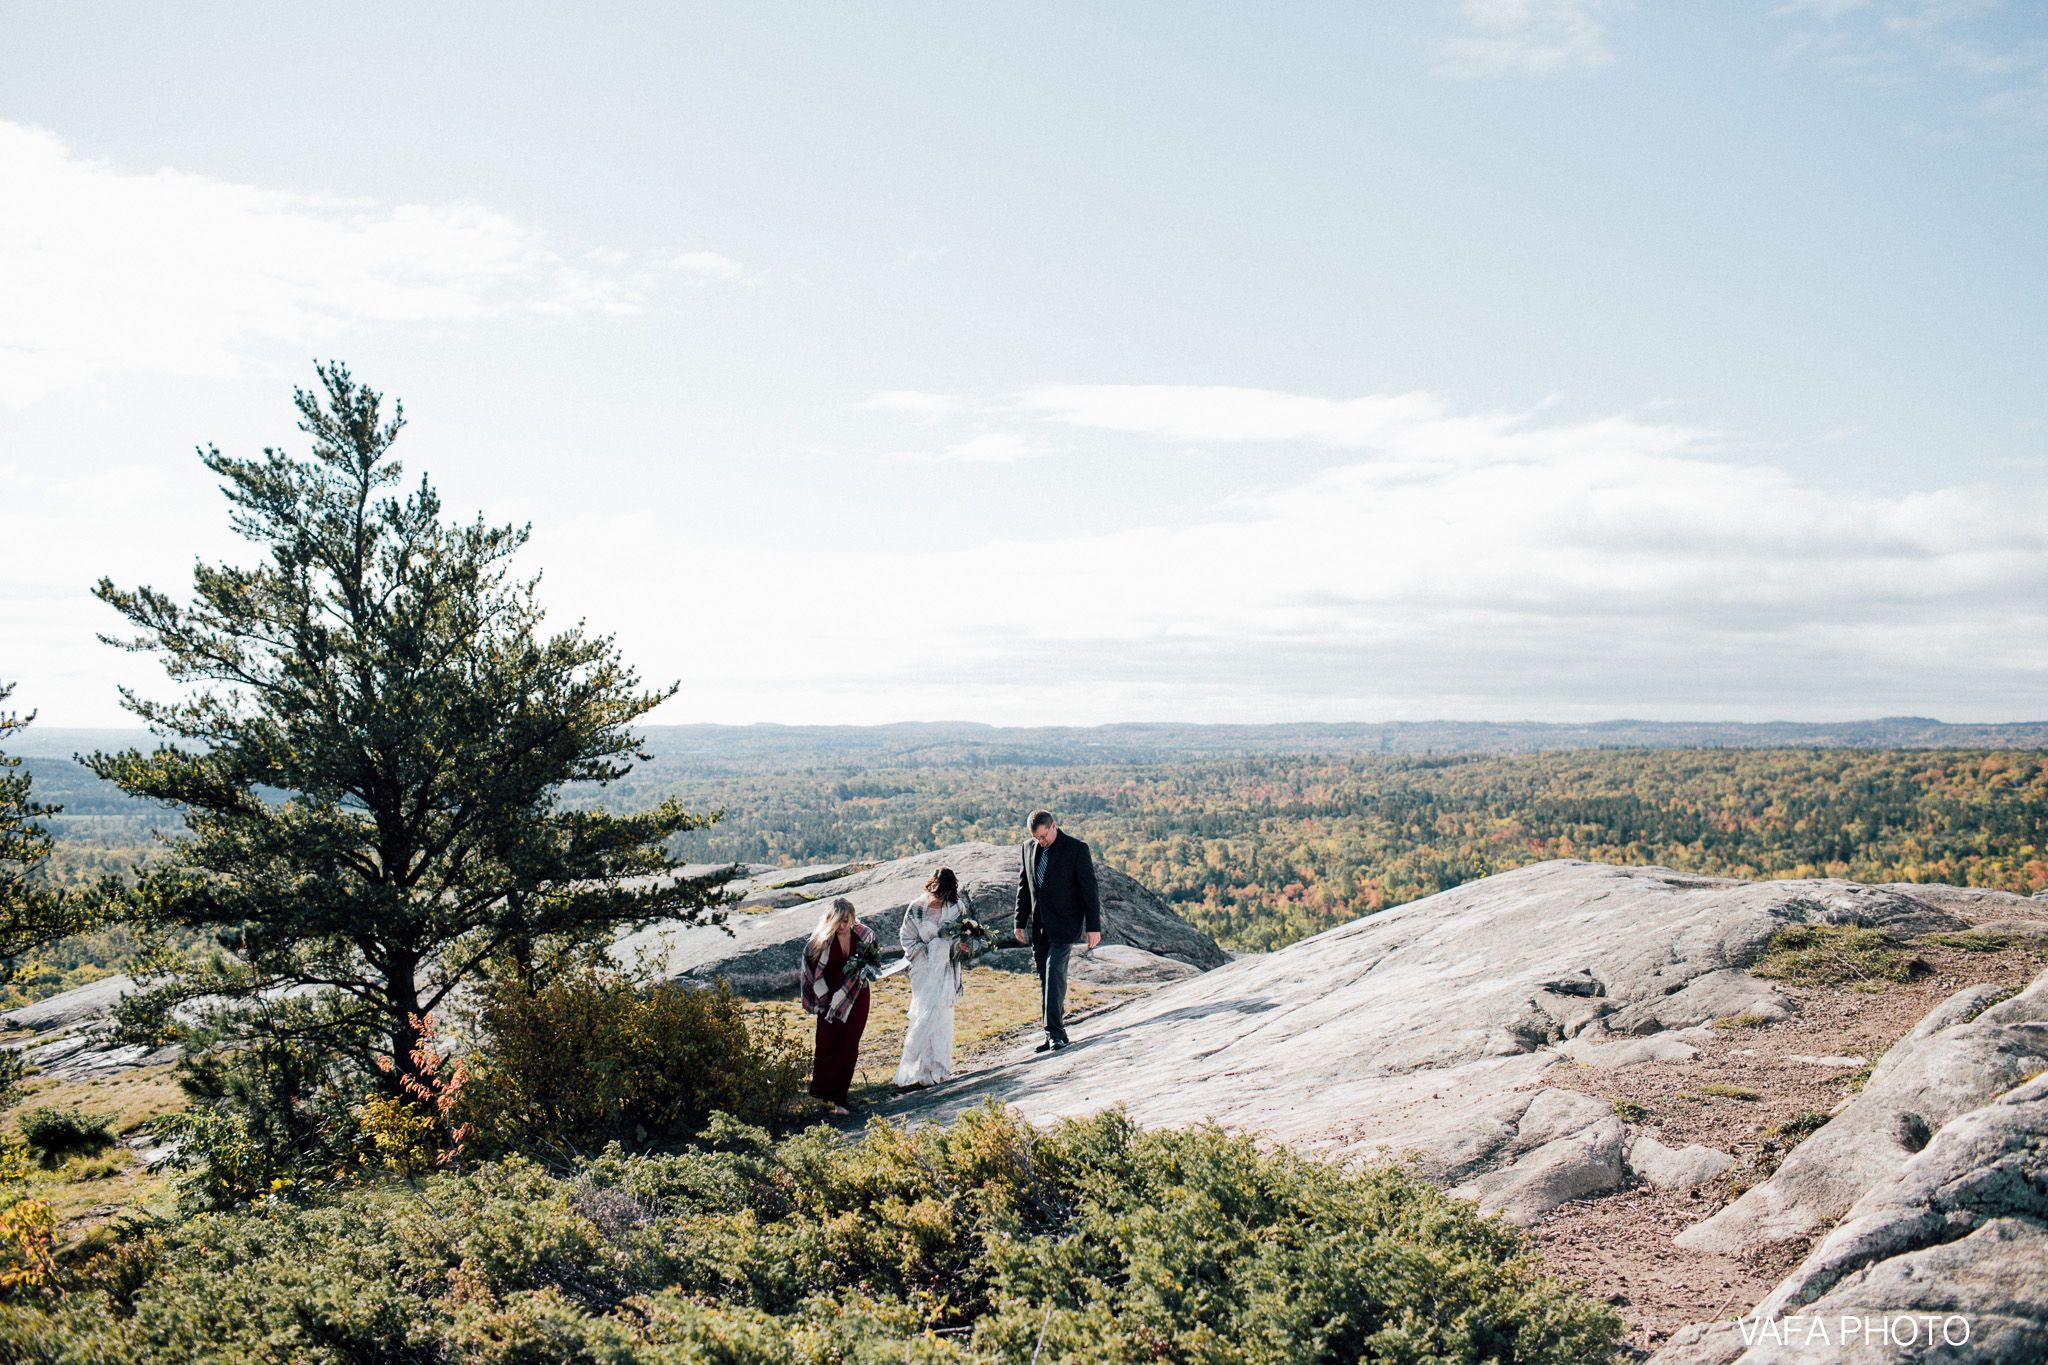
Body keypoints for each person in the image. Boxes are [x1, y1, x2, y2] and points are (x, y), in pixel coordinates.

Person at [1013, 809, 1102, 1053]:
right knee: (1045, 977)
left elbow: (1089, 890)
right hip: (1039, 926)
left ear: (1053, 826)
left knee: (1054, 972)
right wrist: (1019, 922)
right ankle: (1056, 1032)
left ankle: (1053, 1033)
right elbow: (1025, 887)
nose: (1040, 842)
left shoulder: (1076, 849)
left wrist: (1093, 927)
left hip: (1065, 923)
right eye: (1036, 838)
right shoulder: (1027, 848)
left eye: (1043, 836)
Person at [894, 866, 969, 1090]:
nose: (941, 897)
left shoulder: (957, 907)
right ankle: (922, 1071)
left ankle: (942, 1069)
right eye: (938, 892)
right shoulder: (916, 908)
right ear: (931, 886)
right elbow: (907, 938)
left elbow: (959, 937)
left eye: (945, 893)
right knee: (923, 1016)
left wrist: (960, 946)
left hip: (946, 971)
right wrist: (929, 951)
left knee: (943, 1018)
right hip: (923, 969)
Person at [798, 897, 874, 1115]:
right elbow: (810, 969)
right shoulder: (819, 941)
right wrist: (823, 997)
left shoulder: (865, 935)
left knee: (848, 1045)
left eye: (847, 920)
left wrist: (846, 991)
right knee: (826, 1044)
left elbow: (867, 967)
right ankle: (822, 1094)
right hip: (829, 999)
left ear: (853, 917)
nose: (843, 925)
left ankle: (840, 1099)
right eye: (839, 921)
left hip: (856, 995)